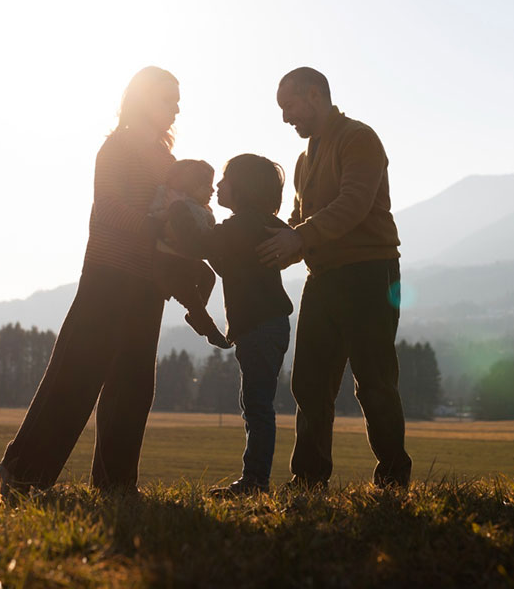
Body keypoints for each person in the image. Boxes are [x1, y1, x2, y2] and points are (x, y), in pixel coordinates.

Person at [0, 66, 180, 500]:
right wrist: (155, 227)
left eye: (177, 101)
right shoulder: (115, 148)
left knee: (134, 384)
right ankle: (23, 473)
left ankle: (116, 484)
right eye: (166, 99)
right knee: (75, 375)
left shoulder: (169, 161)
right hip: (107, 276)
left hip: (149, 285)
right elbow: (109, 208)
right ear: (140, 100)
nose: (174, 108)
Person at [256, 67, 412, 488]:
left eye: (289, 106)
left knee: (374, 380)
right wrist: (266, 242)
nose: (287, 118)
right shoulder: (304, 160)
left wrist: (298, 238)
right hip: (322, 277)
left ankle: (394, 479)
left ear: (314, 95)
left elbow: (353, 204)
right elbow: (298, 221)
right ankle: (308, 480)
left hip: (368, 273)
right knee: (309, 381)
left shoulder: (359, 138)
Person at [168, 154, 294, 495]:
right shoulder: (256, 223)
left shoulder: (241, 226)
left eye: (224, 180)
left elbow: (198, 245)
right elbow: (229, 258)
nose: (217, 186)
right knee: (256, 403)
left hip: (259, 326)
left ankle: (255, 482)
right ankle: (255, 480)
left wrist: (176, 205)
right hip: (269, 325)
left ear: (242, 188)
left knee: (257, 406)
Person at [149, 159, 231, 349]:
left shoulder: (201, 209)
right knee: (191, 296)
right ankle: (207, 327)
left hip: (187, 260)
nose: (212, 190)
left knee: (208, 277)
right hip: (168, 262)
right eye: (206, 186)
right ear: (191, 185)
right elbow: (157, 215)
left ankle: (195, 316)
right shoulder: (174, 200)